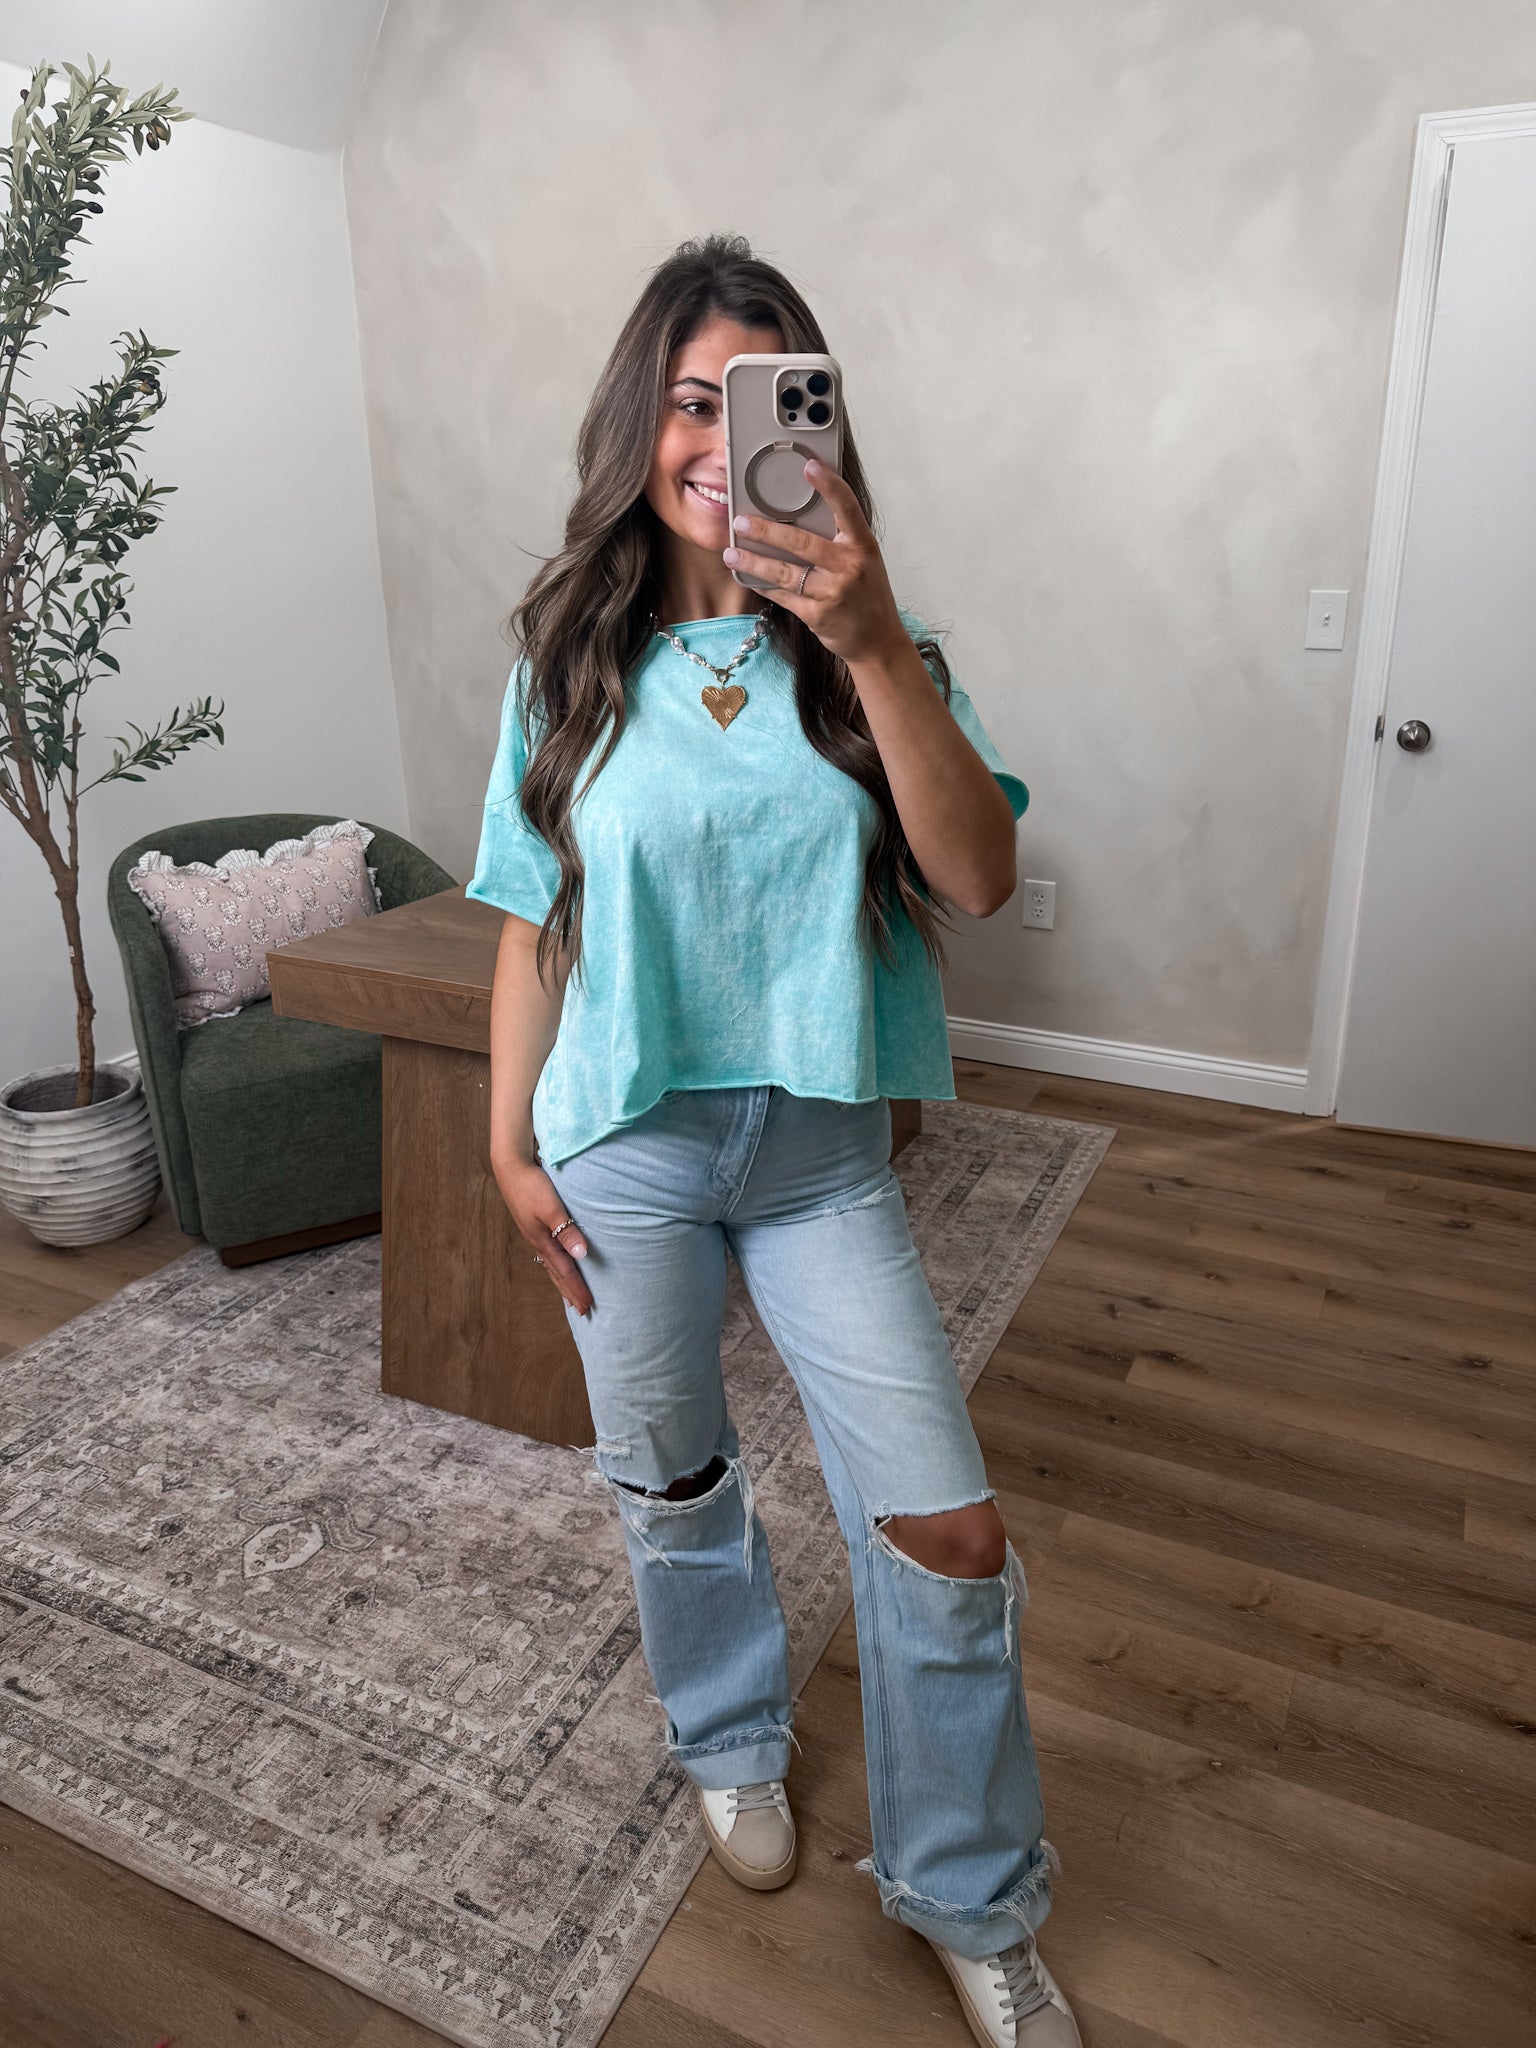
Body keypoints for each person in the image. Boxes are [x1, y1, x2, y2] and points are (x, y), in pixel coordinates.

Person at [469, 233, 1080, 2048]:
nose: (719, 440)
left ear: (813, 424)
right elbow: (528, 921)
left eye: (759, 398)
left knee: (949, 1534)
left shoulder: (871, 655)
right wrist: (510, 1150)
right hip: (622, 1152)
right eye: (688, 399)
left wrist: (870, 634)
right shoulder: (562, 661)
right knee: (671, 1484)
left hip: (820, 1160)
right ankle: (730, 1737)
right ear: (641, 425)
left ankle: (968, 1891)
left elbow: (977, 872)